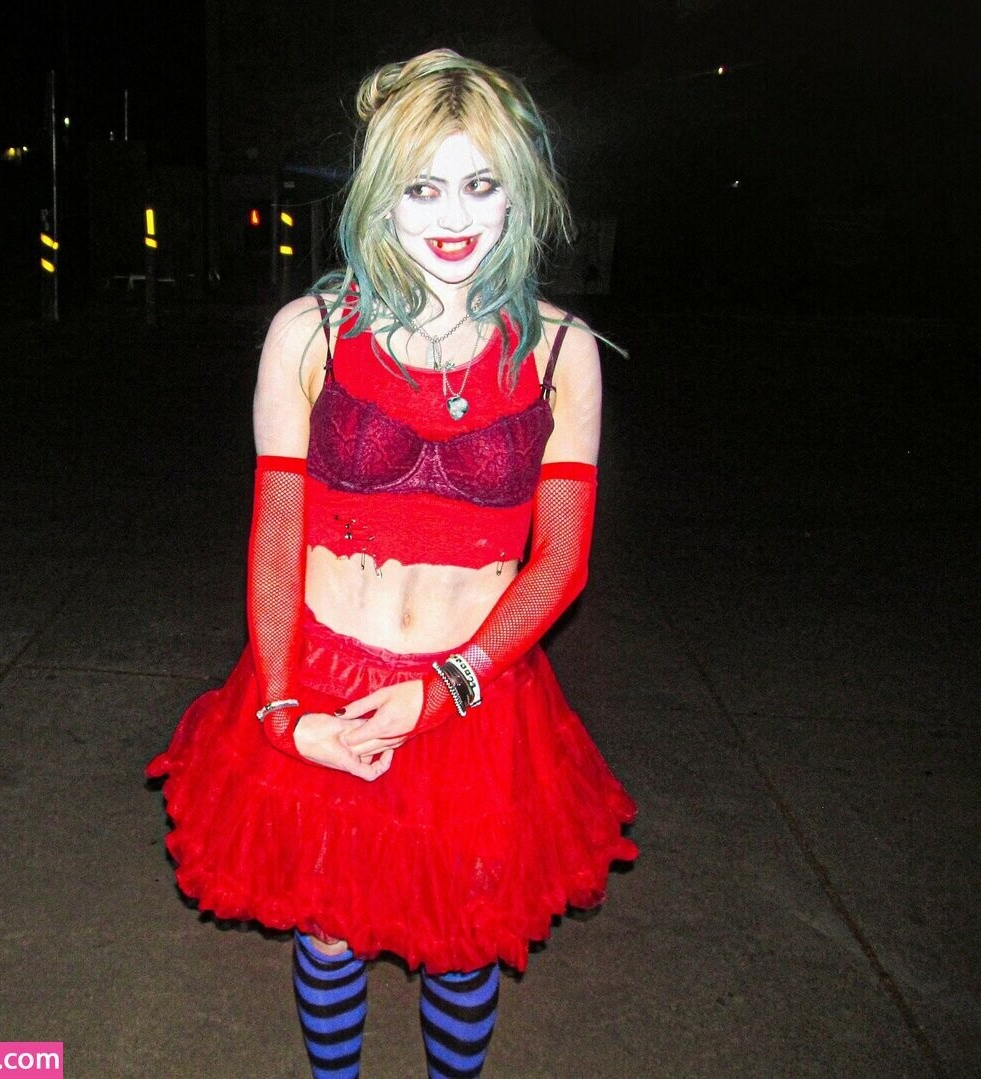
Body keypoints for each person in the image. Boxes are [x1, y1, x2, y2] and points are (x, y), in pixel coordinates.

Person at [147, 48, 637, 1079]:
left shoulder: (562, 351)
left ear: (520, 192)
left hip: (476, 691)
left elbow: (560, 563)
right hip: (325, 676)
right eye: (421, 187)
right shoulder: (309, 333)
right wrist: (284, 710)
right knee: (329, 931)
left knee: (462, 943)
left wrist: (447, 687)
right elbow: (274, 539)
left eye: (480, 183)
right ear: (380, 195)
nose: (453, 216)